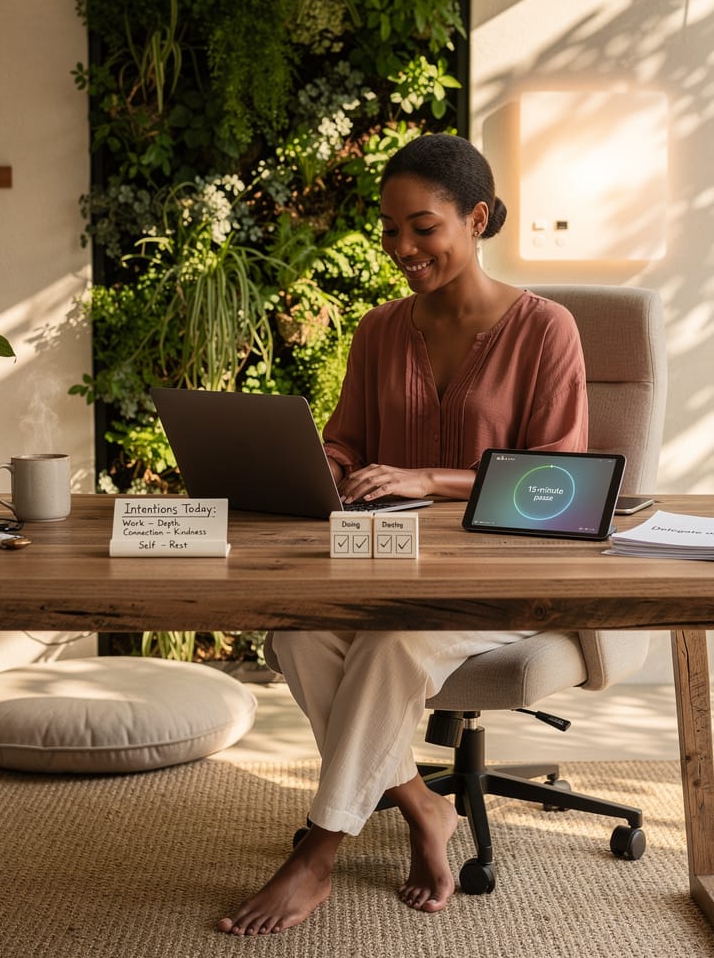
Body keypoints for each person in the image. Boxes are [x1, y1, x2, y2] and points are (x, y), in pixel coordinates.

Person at [217, 133, 588, 936]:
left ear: (477, 219)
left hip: (500, 577)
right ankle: (423, 807)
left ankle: (317, 855)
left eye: (423, 228)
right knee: (299, 636)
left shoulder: (546, 330)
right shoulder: (379, 330)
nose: (401, 248)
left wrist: (429, 479)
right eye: (390, 229)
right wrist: (315, 466)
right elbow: (347, 441)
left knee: (388, 645)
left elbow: (558, 481)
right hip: (384, 565)